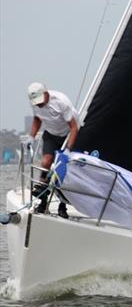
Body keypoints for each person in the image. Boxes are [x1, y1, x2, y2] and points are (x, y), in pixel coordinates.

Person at [26, 82, 79, 217]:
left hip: (68, 135)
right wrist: (31, 137)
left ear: (45, 93)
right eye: (35, 102)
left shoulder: (61, 102)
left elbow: (74, 127)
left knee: (63, 171)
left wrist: (68, 149)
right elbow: (37, 119)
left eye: (40, 101)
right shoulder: (36, 104)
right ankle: (43, 201)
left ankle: (63, 207)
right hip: (51, 135)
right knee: (46, 162)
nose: (38, 104)